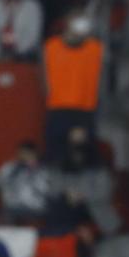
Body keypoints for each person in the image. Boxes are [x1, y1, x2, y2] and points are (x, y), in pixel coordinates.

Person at [40, 14, 103, 165]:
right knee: (56, 157)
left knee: (85, 159)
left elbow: (103, 80)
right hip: (58, 108)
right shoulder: (50, 47)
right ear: (67, 25)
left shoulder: (96, 49)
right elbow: (44, 80)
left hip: (85, 110)